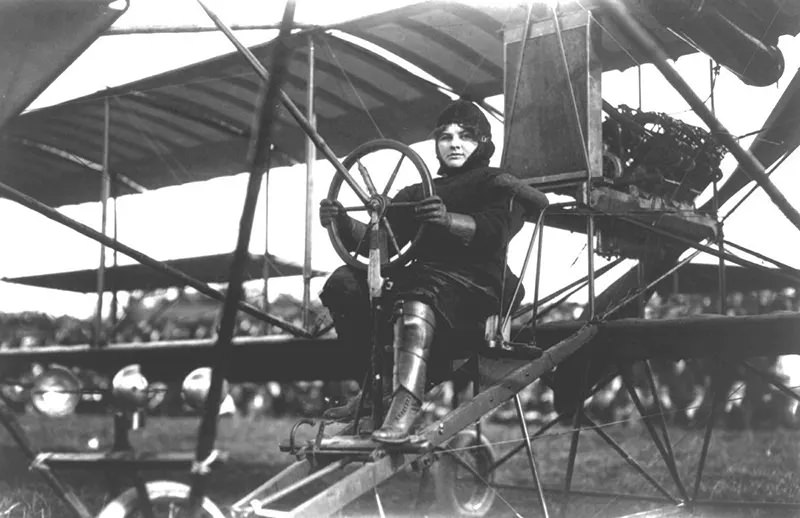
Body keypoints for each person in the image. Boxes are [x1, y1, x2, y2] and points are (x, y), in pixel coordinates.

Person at [319, 99, 547, 444]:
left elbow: (495, 231)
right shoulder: (419, 192)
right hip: (424, 282)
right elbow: (380, 242)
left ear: (484, 142)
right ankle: (372, 391)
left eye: (465, 136)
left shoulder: (496, 183)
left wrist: (447, 220)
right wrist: (342, 221)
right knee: (343, 284)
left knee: (417, 291)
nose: (454, 144)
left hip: (479, 286)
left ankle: (405, 404)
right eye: (445, 136)